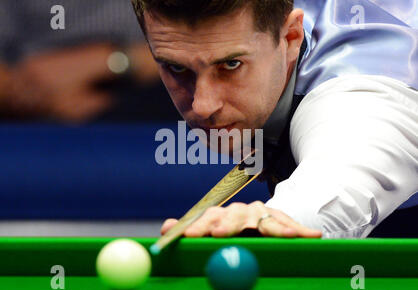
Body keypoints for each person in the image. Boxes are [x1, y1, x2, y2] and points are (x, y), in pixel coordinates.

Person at [131, 0, 418, 238]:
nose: (203, 105)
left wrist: (271, 220)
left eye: (231, 65)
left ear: (292, 36)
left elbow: (341, 174)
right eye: (176, 68)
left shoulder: (360, 95)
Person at [0, 0, 179, 123]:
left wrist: (112, 60)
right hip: (30, 101)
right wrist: (43, 97)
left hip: (154, 93)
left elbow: (202, 52)